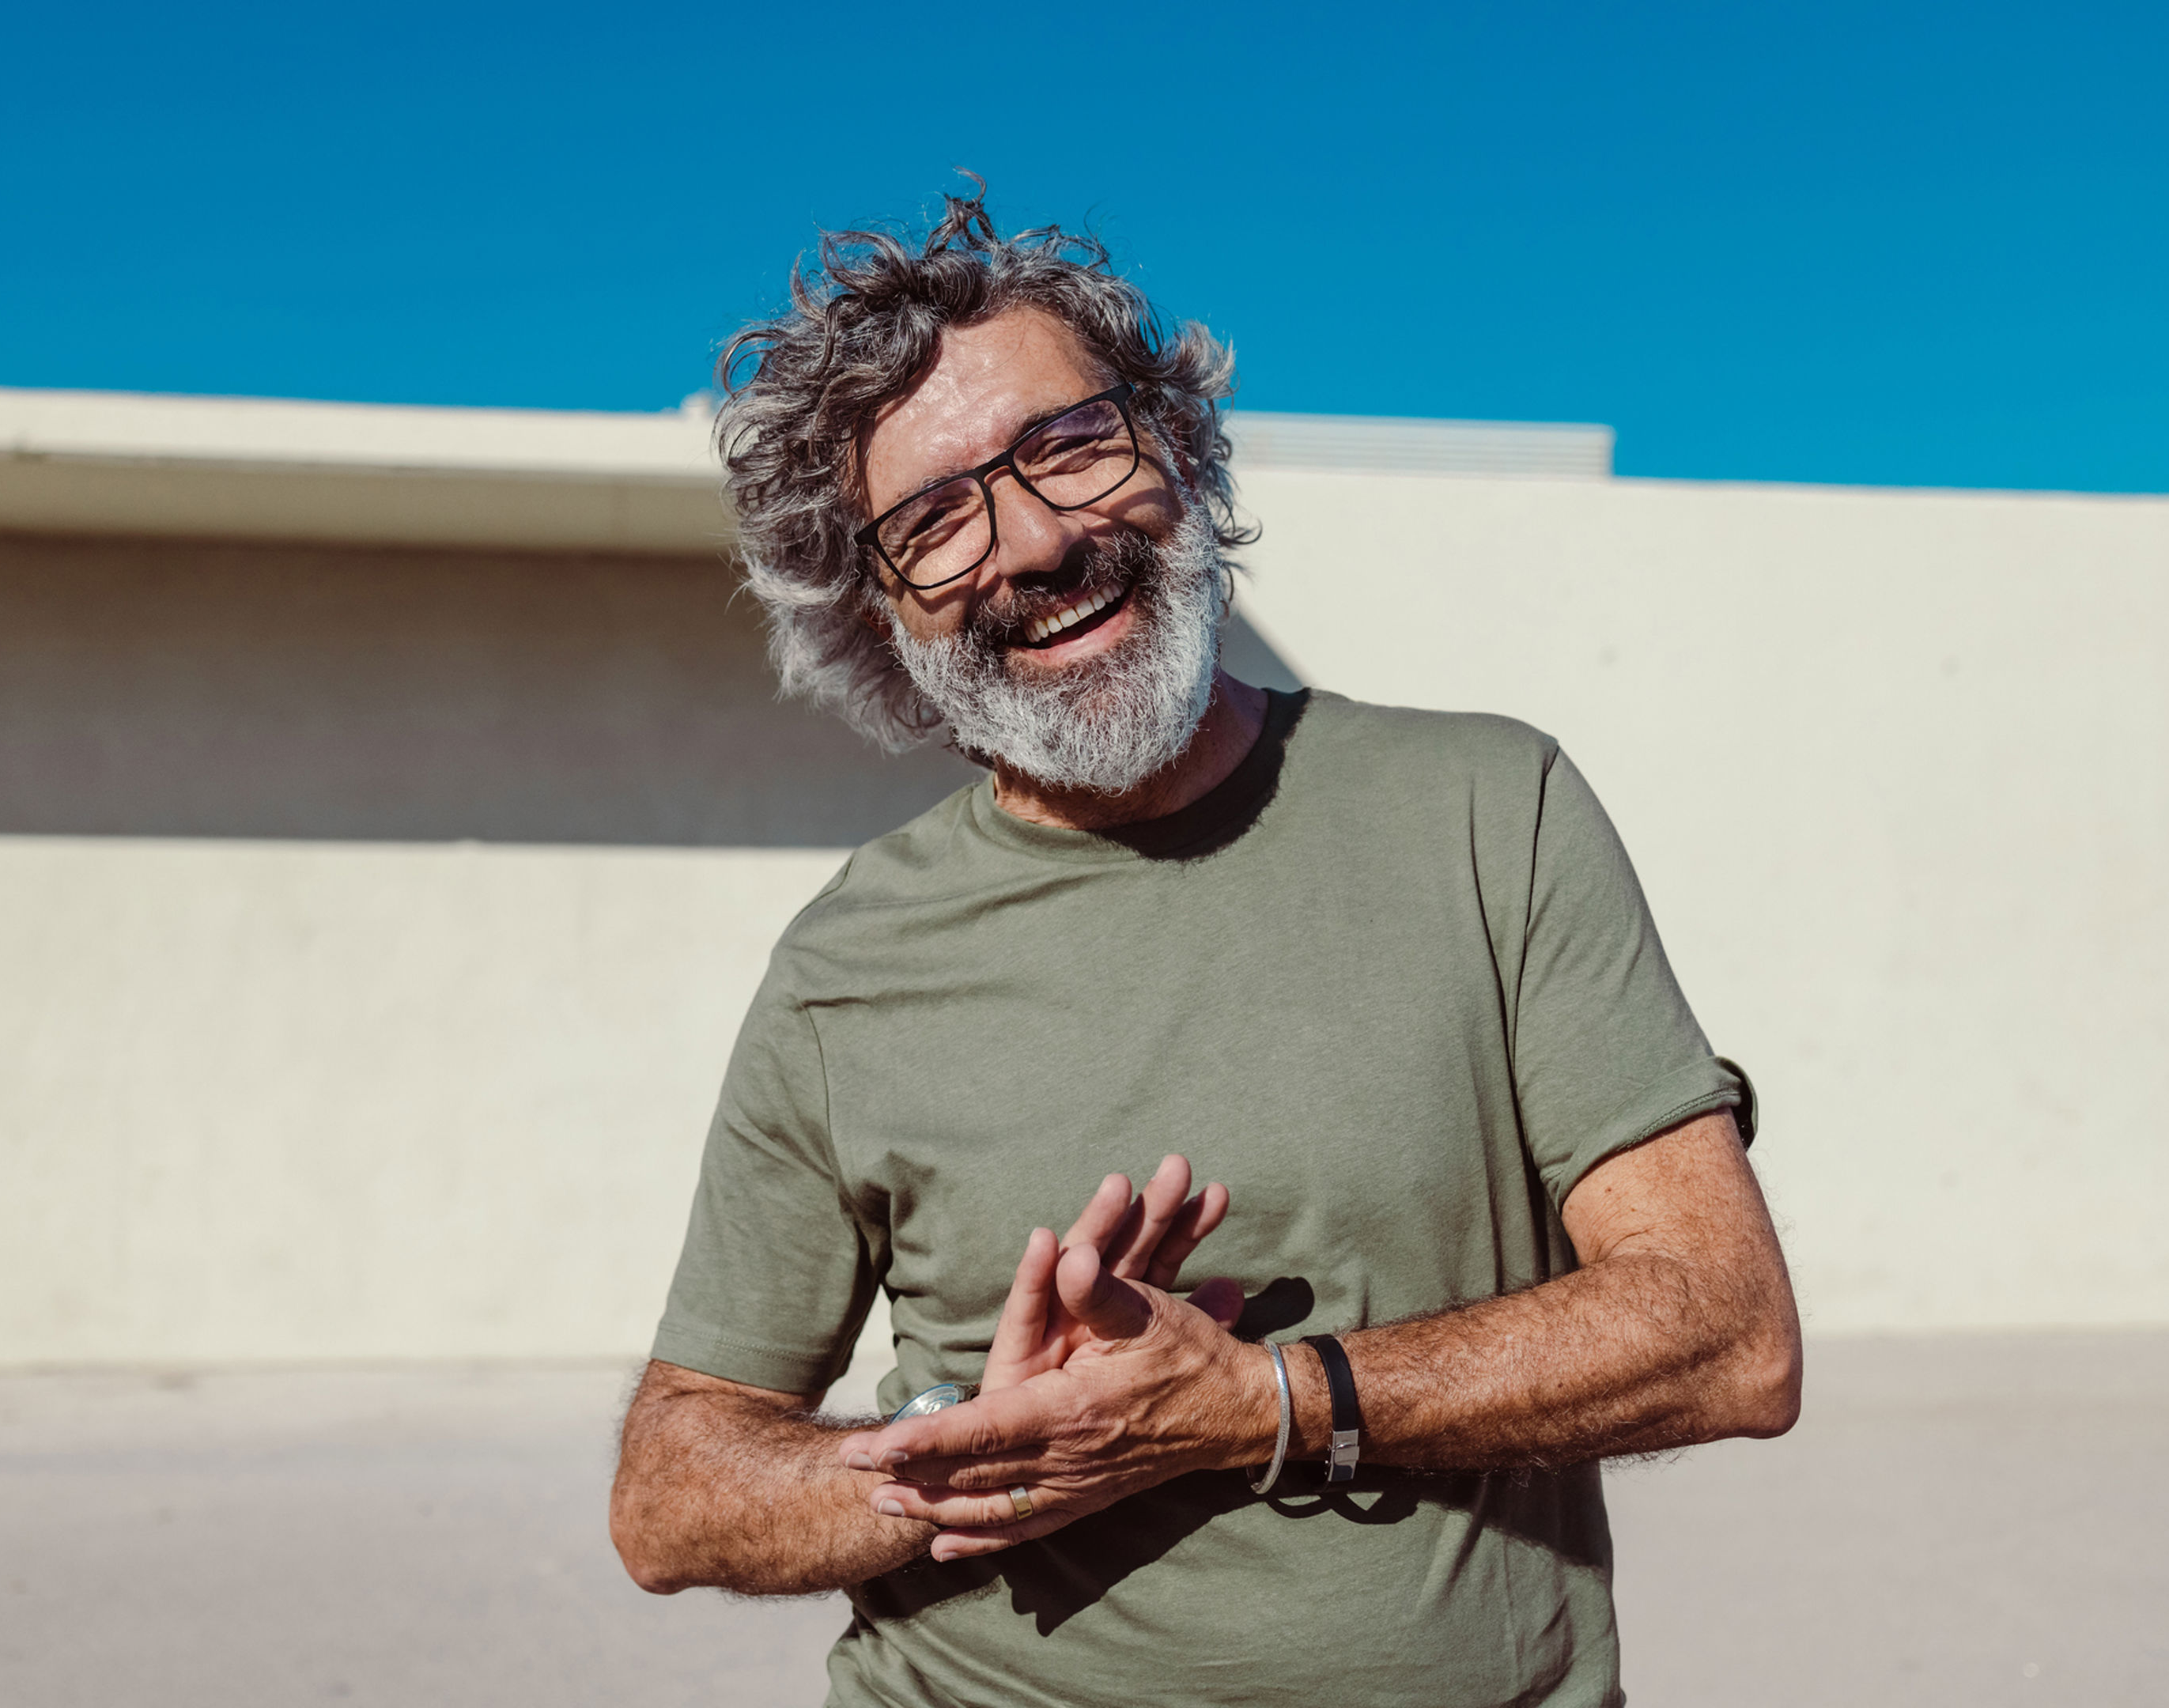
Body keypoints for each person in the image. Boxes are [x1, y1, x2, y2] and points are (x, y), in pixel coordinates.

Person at [609, 186, 1800, 1708]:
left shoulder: (1488, 810)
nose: (1031, 540)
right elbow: (670, 1490)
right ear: (877, 611)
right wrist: (969, 1465)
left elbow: (1726, 1330)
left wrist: (1260, 1404)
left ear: (1178, 439)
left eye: (1068, 445)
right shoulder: (846, 960)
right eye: (931, 521)